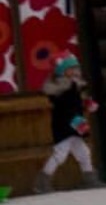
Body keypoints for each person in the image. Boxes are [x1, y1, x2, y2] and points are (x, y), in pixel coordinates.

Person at [32, 51, 102, 194]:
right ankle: (42, 182)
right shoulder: (62, 88)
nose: (75, 71)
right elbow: (65, 108)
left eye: (76, 68)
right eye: (71, 69)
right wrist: (75, 119)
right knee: (60, 154)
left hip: (75, 124)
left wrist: (86, 104)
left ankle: (90, 179)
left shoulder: (73, 86)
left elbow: (76, 103)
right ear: (63, 71)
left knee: (83, 152)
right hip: (64, 126)